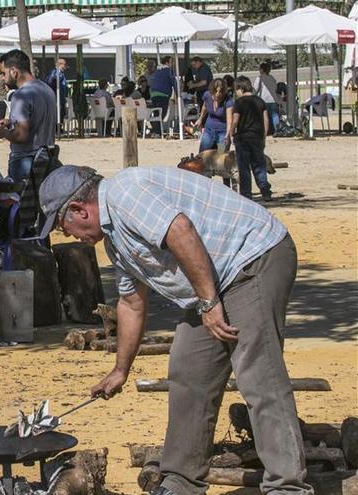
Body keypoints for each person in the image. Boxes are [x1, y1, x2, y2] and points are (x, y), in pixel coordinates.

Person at [35, 164, 310, 495]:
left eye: (64, 226)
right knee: (188, 371)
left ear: (79, 209)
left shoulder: (125, 194)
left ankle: (287, 487)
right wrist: (120, 369)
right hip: (213, 281)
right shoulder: (114, 240)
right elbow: (132, 304)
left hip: (253, 258)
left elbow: (181, 230)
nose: (69, 236)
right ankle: (181, 481)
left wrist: (208, 304)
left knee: (257, 372)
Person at [0, 49, 56, 183]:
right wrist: (11, 122)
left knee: (19, 202)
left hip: (25, 161)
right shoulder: (46, 89)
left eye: (3, 73)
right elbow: (37, 119)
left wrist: (2, 132)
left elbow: (21, 136)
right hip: (47, 160)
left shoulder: (21, 95)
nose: (3, 78)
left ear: (14, 71)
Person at [233, 76, 272, 201]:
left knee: (244, 167)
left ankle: (246, 194)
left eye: (236, 90)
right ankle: (265, 190)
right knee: (259, 165)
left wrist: (230, 134)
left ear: (240, 88)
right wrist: (263, 137)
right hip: (257, 138)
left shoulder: (239, 103)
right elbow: (266, 121)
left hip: (242, 138)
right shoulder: (260, 101)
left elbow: (235, 121)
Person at [196, 78, 234, 154]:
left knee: (221, 155)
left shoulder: (228, 101)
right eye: (215, 91)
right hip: (209, 130)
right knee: (202, 155)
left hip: (222, 133)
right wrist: (200, 119)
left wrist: (227, 135)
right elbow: (205, 107)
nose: (217, 93)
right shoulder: (207, 95)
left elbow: (230, 121)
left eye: (220, 92)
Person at [149, 57, 177, 135]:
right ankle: (158, 131)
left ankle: (155, 131)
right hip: (163, 94)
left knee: (156, 113)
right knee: (162, 113)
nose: (173, 64)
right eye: (171, 62)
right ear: (167, 63)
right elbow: (174, 83)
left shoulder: (158, 71)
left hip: (154, 94)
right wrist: (178, 95)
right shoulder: (169, 71)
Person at [254, 62, 281, 133]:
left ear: (262, 70)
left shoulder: (259, 78)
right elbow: (275, 88)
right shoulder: (272, 78)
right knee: (274, 115)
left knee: (264, 117)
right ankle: (277, 130)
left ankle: (266, 130)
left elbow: (255, 89)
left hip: (263, 100)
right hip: (273, 99)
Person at [46, 58, 70, 128]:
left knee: (61, 112)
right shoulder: (56, 72)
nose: (65, 66)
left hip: (60, 97)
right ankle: (57, 127)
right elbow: (51, 81)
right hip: (57, 97)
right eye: (65, 64)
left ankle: (59, 127)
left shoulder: (59, 72)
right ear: (60, 64)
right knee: (59, 112)